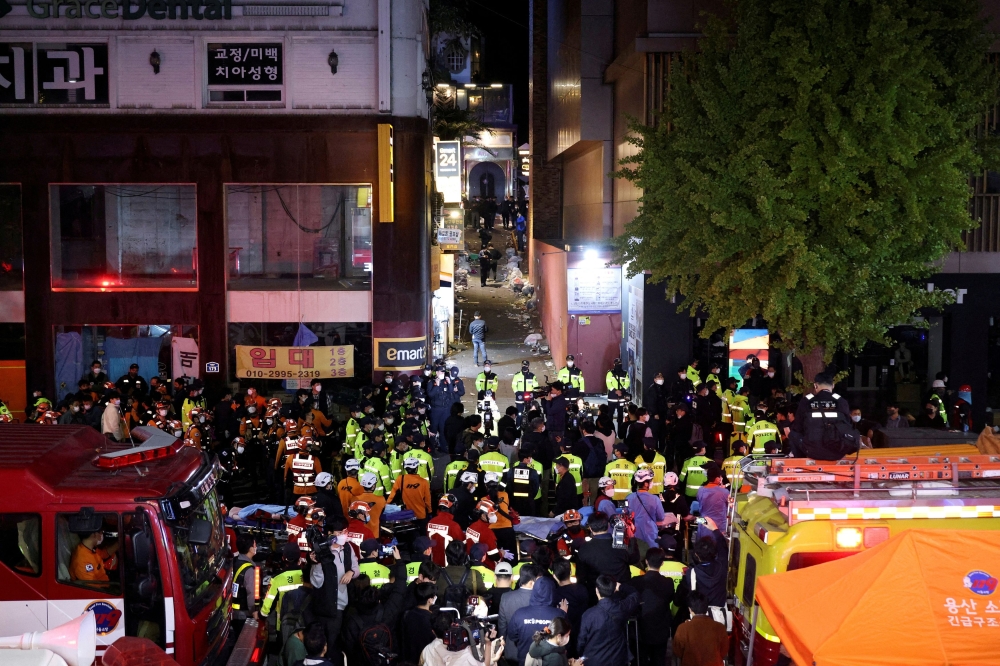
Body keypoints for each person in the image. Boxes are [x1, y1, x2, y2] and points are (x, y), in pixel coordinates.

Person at [309, 515, 358, 656]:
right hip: (329, 608)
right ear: (330, 534)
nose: (344, 535)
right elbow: (316, 582)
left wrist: (351, 572)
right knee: (330, 644)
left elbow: (356, 567)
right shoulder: (322, 552)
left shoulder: (348, 548)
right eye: (340, 532)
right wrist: (317, 564)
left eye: (345, 531)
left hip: (346, 605)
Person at [789, 371, 858, 459]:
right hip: (838, 451)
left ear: (815, 385)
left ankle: (800, 460)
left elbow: (798, 427)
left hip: (812, 452)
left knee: (793, 434)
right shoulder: (841, 401)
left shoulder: (806, 401)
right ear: (833, 385)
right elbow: (848, 425)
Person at [577, 575, 640, 666]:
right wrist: (621, 587)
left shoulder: (588, 614)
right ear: (614, 590)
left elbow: (581, 641)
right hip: (618, 660)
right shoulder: (621, 608)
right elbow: (635, 594)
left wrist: (581, 656)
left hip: (594, 661)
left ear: (597, 591)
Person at [674, 516, 728, 621]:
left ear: (696, 555)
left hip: (699, 618)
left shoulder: (691, 573)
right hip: (718, 618)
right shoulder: (722, 566)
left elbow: (681, 597)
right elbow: (723, 548)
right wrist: (715, 529)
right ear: (714, 553)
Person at [506, 576, 568, 665]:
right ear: (552, 592)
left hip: (526, 661)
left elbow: (512, 636)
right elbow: (565, 640)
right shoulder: (559, 615)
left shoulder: (519, 613)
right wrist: (563, 615)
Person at [574, 514, 638, 597]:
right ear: (608, 525)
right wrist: (631, 538)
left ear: (590, 528)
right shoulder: (621, 545)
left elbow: (581, 577)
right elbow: (635, 559)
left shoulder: (583, 549)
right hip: (622, 593)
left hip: (597, 595)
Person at [631, 548, 675, 666]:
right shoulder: (668, 583)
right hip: (661, 630)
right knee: (659, 660)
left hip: (641, 630)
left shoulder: (636, 581)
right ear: (662, 563)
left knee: (641, 660)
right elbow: (670, 599)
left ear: (646, 561)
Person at [420, 611, 504, 666]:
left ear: (433, 631)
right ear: (454, 624)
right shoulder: (464, 646)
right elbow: (485, 664)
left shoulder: (428, 650)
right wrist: (488, 642)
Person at [498, 564, 543, 662]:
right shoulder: (541, 599)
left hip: (512, 651)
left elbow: (502, 626)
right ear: (532, 582)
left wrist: (501, 647)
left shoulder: (505, 597)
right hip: (536, 652)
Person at [627, 468, 675, 559]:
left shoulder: (629, 497)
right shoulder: (655, 499)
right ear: (646, 483)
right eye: (650, 481)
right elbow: (660, 517)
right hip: (650, 533)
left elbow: (626, 514)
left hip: (634, 532)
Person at [673, 591, 729, 666]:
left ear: (690, 609)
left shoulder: (682, 628)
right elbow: (724, 652)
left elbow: (678, 652)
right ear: (706, 608)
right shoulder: (720, 628)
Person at [551, 560, 588, 656]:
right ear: (571, 572)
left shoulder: (553, 595)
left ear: (554, 576)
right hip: (581, 635)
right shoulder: (582, 590)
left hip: (562, 639)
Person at [401, 581, 439, 663]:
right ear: (430, 600)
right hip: (425, 660)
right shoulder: (432, 620)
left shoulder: (407, 615)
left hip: (409, 660)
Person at [428, 494, 466, 567]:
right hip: (448, 567)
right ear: (452, 507)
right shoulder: (453, 526)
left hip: (432, 565)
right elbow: (461, 544)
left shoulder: (430, 522)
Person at [232, 534, 259, 632]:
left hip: (233, 612)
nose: (256, 547)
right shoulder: (249, 570)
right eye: (255, 545)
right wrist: (255, 612)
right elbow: (251, 594)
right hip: (244, 615)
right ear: (251, 549)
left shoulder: (235, 561)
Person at [695, 466, 728, 539]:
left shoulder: (700, 490)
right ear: (717, 479)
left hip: (703, 523)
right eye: (720, 477)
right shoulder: (724, 492)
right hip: (718, 526)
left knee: (703, 546)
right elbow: (730, 506)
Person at [605, 358, 631, 434]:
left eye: (619, 364)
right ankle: (611, 432)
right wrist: (616, 391)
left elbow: (627, 383)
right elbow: (608, 384)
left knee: (620, 417)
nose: (618, 365)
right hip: (612, 398)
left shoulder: (625, 373)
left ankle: (620, 432)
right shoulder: (610, 373)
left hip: (621, 398)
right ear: (614, 364)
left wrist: (622, 390)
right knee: (610, 416)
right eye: (617, 364)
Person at [512, 360, 538, 426]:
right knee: (519, 414)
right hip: (520, 398)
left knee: (531, 414)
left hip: (529, 397)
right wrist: (517, 393)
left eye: (526, 365)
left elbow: (536, 386)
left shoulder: (532, 376)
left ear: (528, 366)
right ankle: (517, 428)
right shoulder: (517, 375)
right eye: (523, 365)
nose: (525, 366)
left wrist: (534, 393)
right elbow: (514, 385)